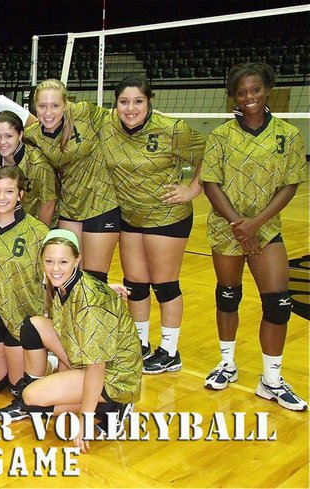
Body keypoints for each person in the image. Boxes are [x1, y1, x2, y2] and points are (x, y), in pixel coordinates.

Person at [200, 63, 307, 411]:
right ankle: (227, 364)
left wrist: (256, 223)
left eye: (256, 90)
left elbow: (290, 183)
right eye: (243, 92)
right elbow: (210, 183)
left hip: (266, 229)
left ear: (268, 91)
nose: (250, 97)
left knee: (278, 304)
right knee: (228, 296)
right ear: (234, 96)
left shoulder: (288, 135)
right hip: (226, 228)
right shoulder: (220, 136)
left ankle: (271, 380)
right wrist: (239, 225)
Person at [100, 75, 205, 374]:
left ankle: (169, 351)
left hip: (166, 216)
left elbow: (210, 155)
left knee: (165, 285)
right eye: (124, 102)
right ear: (115, 104)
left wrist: (192, 190)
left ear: (149, 101)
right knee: (135, 284)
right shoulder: (107, 126)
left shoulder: (172, 129)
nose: (130, 108)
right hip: (130, 217)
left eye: (138, 101)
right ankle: (140, 344)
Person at [13, 229, 142, 452]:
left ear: (77, 260)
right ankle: (83, 398)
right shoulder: (65, 284)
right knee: (33, 325)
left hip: (114, 375)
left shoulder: (91, 303)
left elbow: (97, 366)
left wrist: (84, 420)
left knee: (31, 398)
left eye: (63, 262)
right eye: (49, 261)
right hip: (86, 354)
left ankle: (113, 406)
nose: (55, 269)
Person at [25, 79, 121, 282]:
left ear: (65, 105)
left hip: (102, 203)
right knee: (69, 276)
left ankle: (98, 314)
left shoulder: (84, 113)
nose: (48, 112)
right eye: (42, 106)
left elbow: (125, 116)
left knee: (95, 278)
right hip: (69, 206)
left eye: (55, 106)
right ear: (35, 106)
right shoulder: (32, 135)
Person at [0, 166, 49, 402]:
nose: (1, 197)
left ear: (20, 195)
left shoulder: (38, 232)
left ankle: (47, 362)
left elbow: (51, 280)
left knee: (19, 390)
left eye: (9, 191)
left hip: (21, 317)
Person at [0, 110, 56, 225]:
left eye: (9, 136)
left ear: (20, 135)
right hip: (12, 223)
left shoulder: (37, 164)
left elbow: (48, 204)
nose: (2, 142)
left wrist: (37, 237)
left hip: (39, 225)